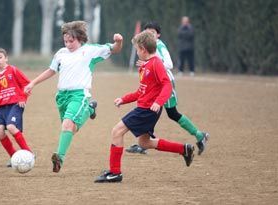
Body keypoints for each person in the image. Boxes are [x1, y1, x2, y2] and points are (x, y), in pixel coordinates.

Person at [94, 30, 194, 183]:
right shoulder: (147, 65)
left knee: (116, 131)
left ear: (142, 49)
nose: (137, 52)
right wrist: (124, 99)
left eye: (137, 49)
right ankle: (184, 149)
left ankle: (115, 173)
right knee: (144, 143)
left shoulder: (156, 64)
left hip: (147, 110)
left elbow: (167, 85)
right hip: (146, 108)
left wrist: (158, 102)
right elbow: (141, 91)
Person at [24, 21, 123, 173]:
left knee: (67, 125)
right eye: (66, 41)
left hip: (79, 94)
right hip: (61, 97)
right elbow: (51, 71)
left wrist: (119, 41)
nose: (68, 44)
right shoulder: (61, 54)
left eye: (72, 41)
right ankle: (90, 110)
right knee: (71, 129)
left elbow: (114, 49)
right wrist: (33, 83)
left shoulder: (90, 50)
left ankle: (59, 158)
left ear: (80, 39)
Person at [126, 22, 209, 155]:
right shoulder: (148, 46)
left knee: (171, 113)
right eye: (147, 33)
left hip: (164, 81)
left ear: (158, 35)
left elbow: (169, 64)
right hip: (154, 81)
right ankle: (144, 143)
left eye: (152, 33)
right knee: (149, 108)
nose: (150, 35)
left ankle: (200, 135)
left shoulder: (159, 45)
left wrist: (152, 64)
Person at [0, 47, 33, 167]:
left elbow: (27, 85)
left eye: (0, 57)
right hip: (2, 108)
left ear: (6, 58)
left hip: (15, 105)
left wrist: (22, 98)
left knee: (11, 126)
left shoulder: (13, 70)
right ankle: (14, 156)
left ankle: (29, 154)